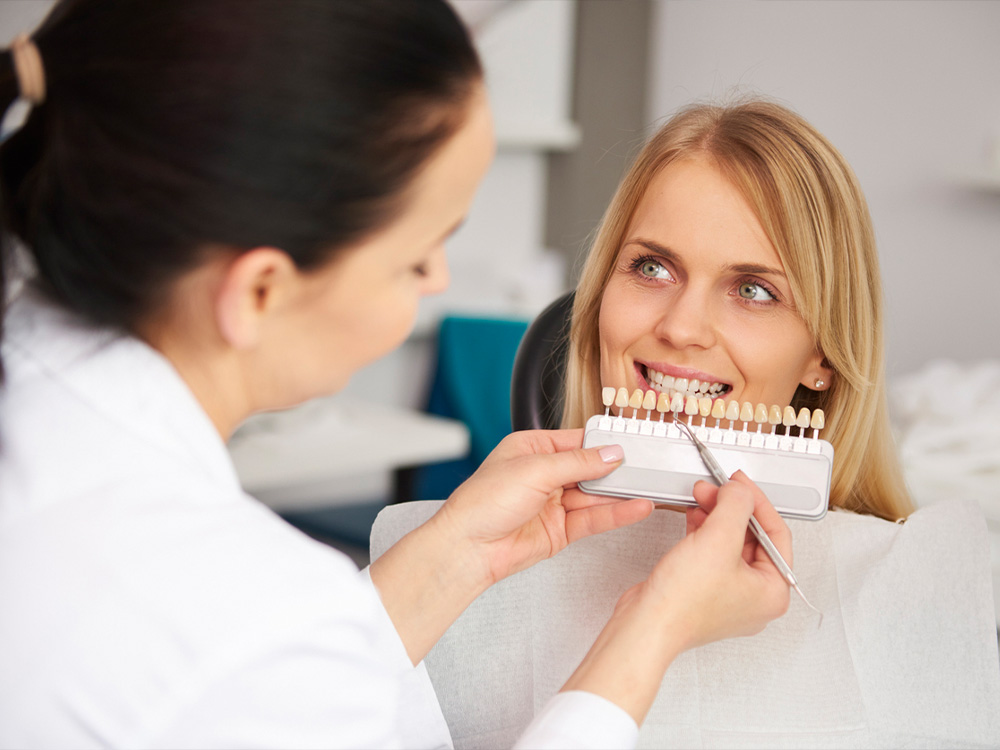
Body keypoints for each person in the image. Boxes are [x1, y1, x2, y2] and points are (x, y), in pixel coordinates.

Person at [0, 3, 795, 747]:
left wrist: (453, 555)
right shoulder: (240, 617)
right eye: (417, 254)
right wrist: (648, 630)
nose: (438, 280)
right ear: (260, 291)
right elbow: (262, 667)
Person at [370, 100, 1000, 747]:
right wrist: (650, 623)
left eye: (753, 289)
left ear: (823, 356)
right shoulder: (448, 573)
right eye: (652, 267)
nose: (679, 327)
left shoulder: (912, 592)